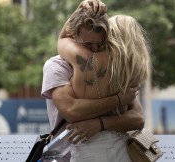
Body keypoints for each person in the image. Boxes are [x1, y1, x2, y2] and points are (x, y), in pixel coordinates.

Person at [41, 0, 145, 162]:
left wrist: (100, 124)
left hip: (102, 148)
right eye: (88, 43)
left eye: (100, 43)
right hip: (77, 151)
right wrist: (118, 100)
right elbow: (72, 111)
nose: (95, 49)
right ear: (74, 35)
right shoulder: (56, 66)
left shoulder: (112, 67)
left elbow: (138, 118)